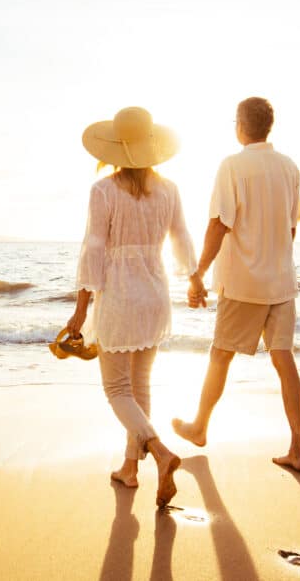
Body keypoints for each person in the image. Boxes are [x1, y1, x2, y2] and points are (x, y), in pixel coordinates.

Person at [66, 106, 198, 507]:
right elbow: (181, 237)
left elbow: (94, 249)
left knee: (117, 389)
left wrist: (81, 307)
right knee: (139, 385)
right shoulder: (169, 189)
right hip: (155, 293)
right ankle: (130, 468)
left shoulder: (103, 191)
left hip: (121, 295)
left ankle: (159, 451)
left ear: (117, 149)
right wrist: (193, 278)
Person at [172, 97, 300, 472]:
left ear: (240, 126)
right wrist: (275, 260)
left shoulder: (232, 166)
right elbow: (291, 227)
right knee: (284, 360)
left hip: (244, 282)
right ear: (268, 126)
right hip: (281, 282)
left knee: (221, 355)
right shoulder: (289, 168)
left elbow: (219, 224)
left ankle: (199, 426)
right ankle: (298, 448)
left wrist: (198, 272)